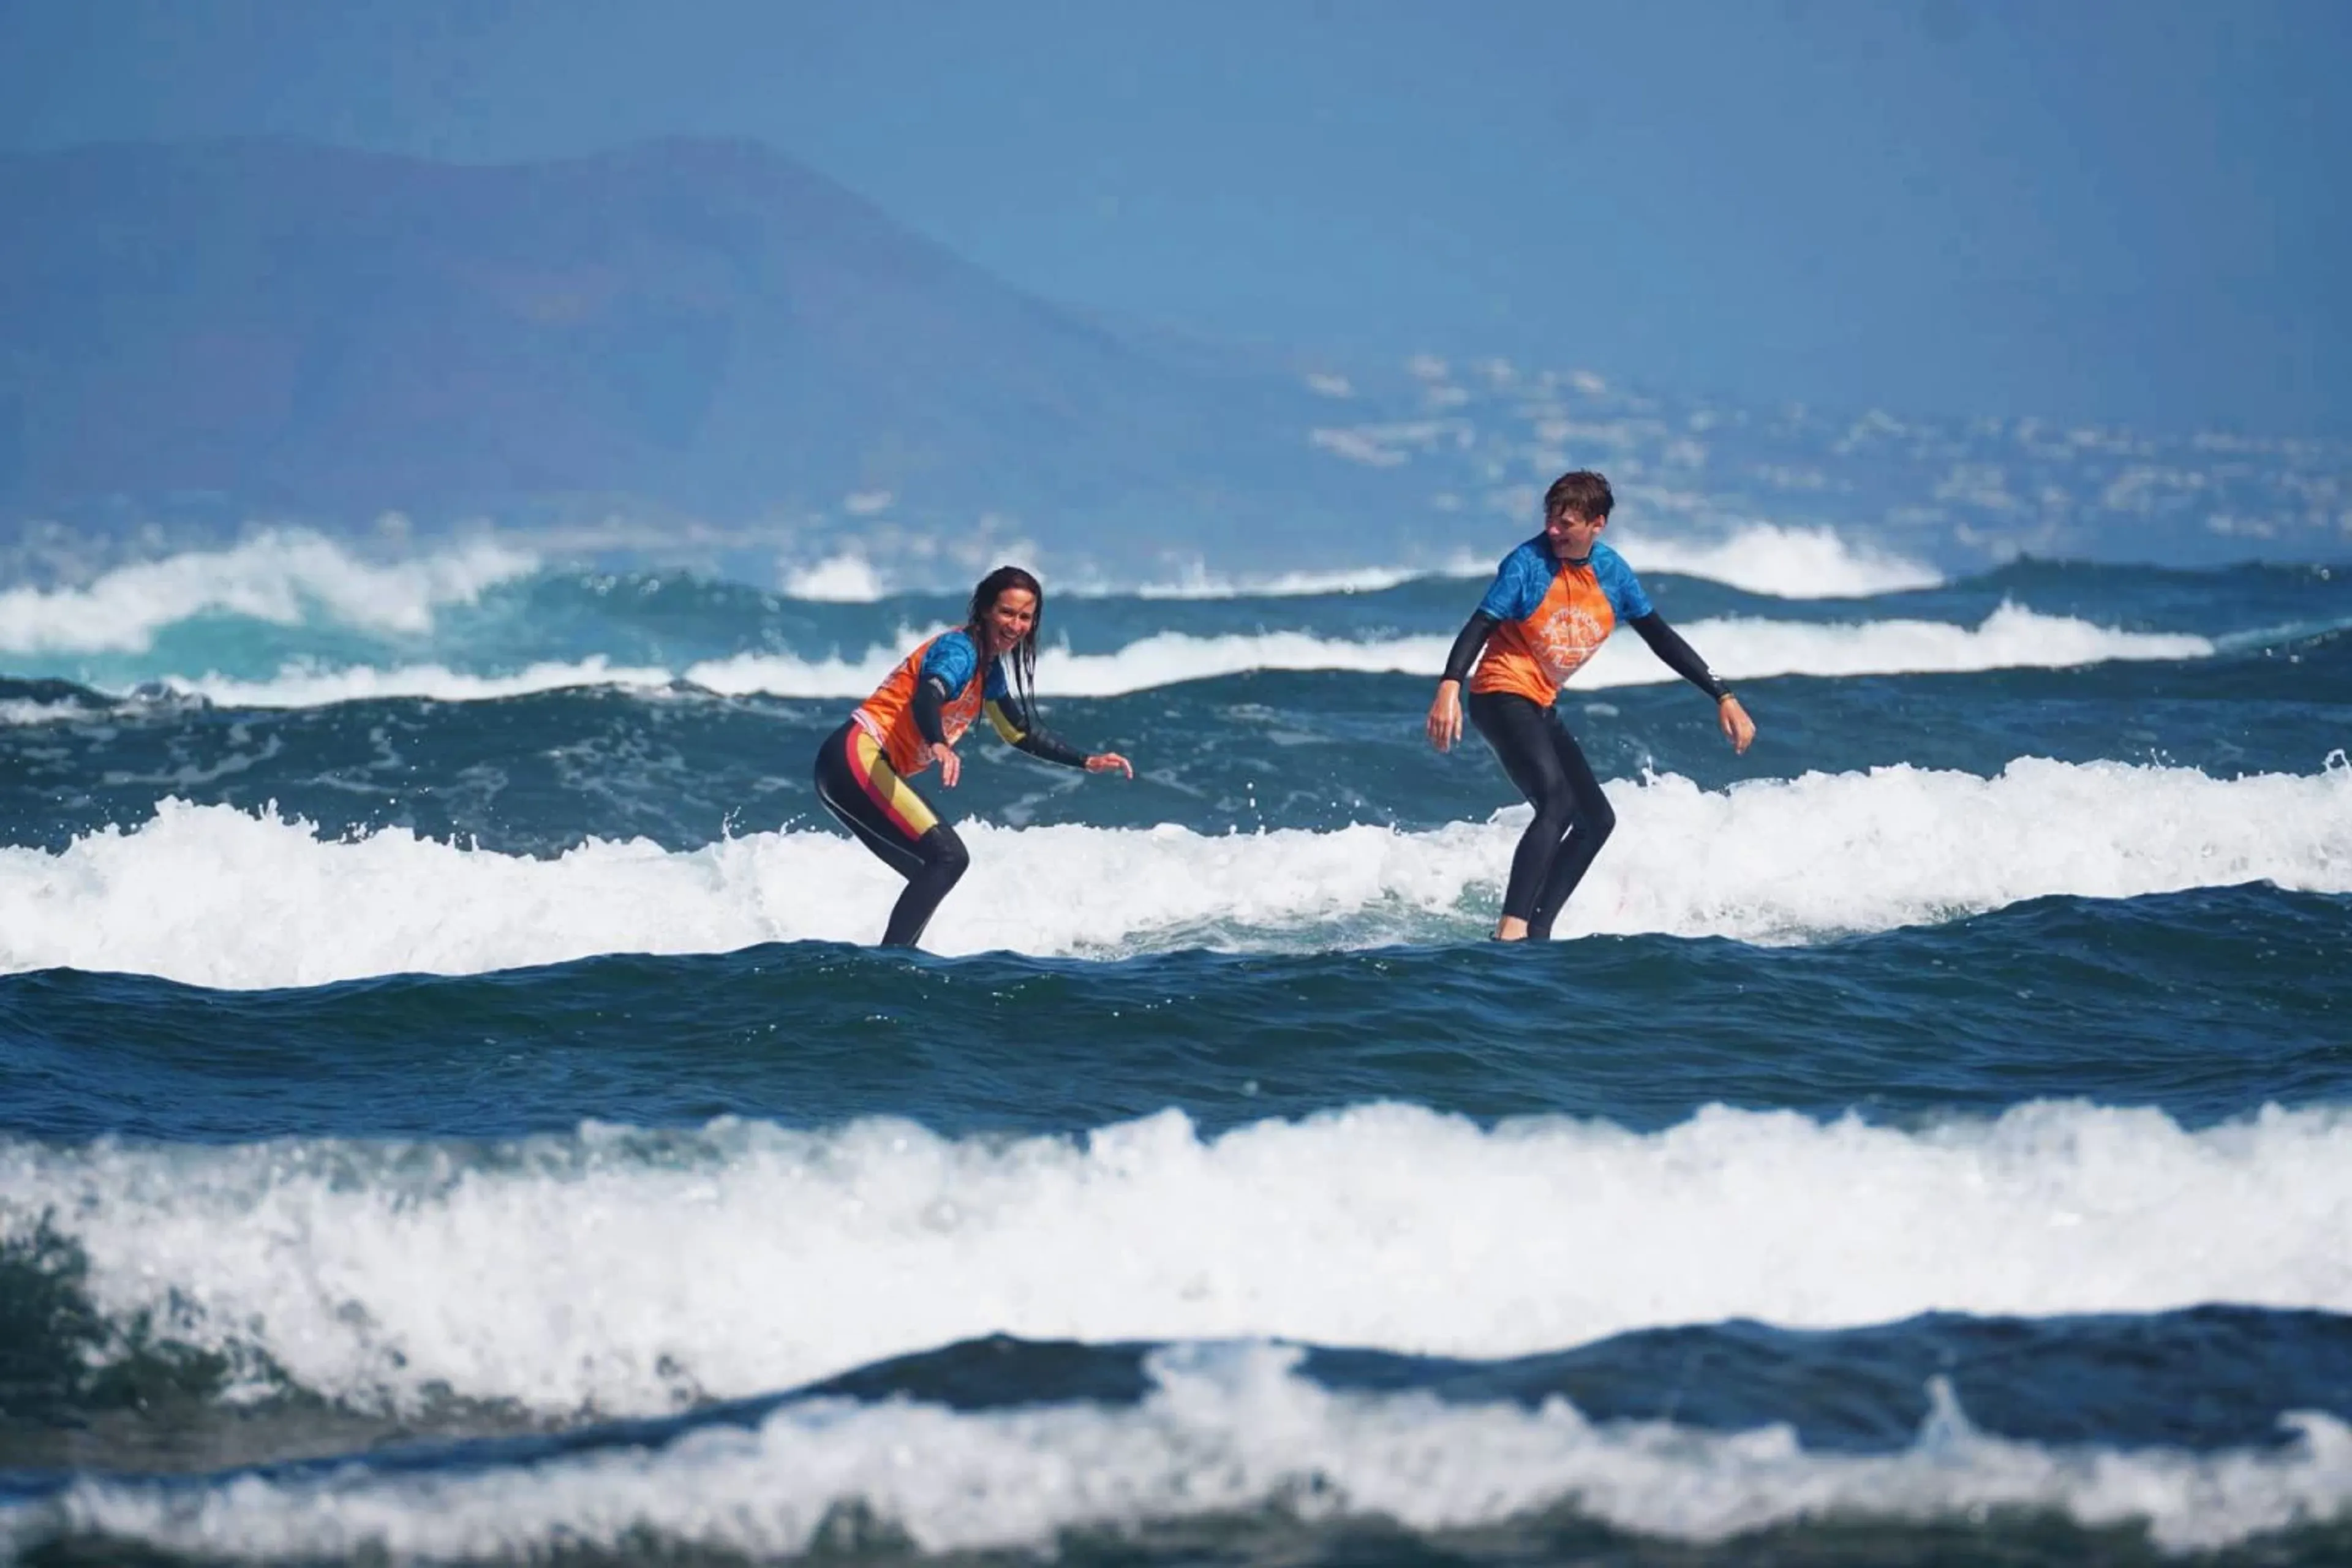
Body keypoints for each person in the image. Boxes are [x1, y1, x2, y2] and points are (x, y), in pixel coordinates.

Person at [1425, 470, 1755, 941]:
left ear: (1596, 525)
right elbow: (1481, 624)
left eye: (1567, 524)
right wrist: (1449, 685)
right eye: (1550, 520)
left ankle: (1539, 932)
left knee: (1597, 820)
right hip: (1500, 692)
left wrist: (1723, 695)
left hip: (1539, 701)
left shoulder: (1612, 574)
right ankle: (1511, 931)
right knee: (1556, 801)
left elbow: (1660, 637)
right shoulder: (1526, 564)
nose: (1554, 532)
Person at [813, 565, 1134, 948]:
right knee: (949, 858)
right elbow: (929, 693)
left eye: (1025, 617)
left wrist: (1087, 761)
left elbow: (1019, 733)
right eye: (1007, 612)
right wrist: (938, 743)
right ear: (984, 610)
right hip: (857, 757)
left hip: (843, 769)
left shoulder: (989, 670)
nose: (1015, 625)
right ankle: (892, 965)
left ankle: (888, 963)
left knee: (928, 868)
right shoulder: (959, 651)